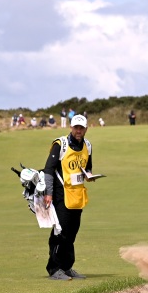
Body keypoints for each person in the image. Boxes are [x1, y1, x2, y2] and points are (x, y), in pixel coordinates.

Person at [42, 114, 95, 280]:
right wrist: (48, 193)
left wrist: (89, 176)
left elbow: (87, 168)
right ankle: (54, 268)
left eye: (81, 128)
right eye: (76, 127)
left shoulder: (87, 145)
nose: (78, 131)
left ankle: (66, 267)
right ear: (71, 128)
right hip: (60, 195)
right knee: (61, 232)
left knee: (72, 233)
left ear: (86, 129)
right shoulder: (60, 145)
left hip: (77, 195)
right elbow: (48, 169)